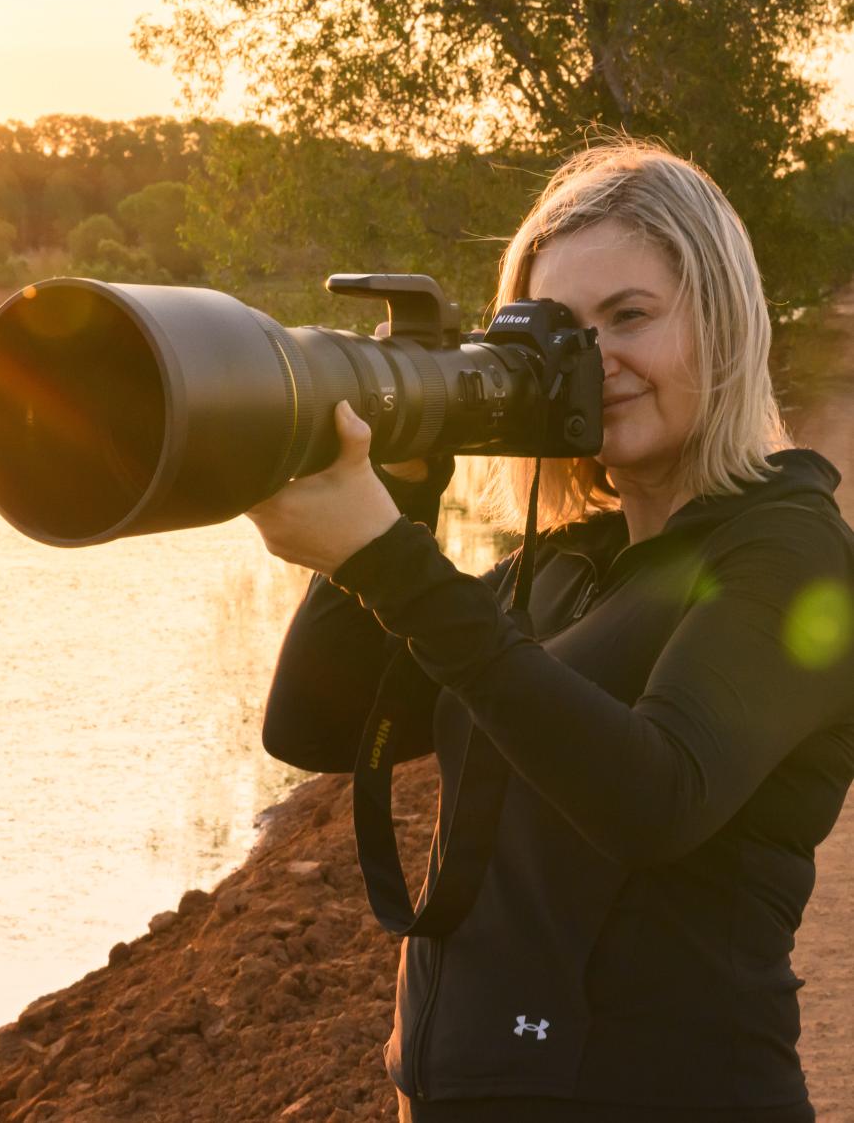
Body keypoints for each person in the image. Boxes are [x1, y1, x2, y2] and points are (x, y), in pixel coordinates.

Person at [247, 139, 854, 1121]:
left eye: (630, 317)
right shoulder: (569, 565)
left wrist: (385, 561)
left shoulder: (787, 553)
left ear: (725, 329)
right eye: (559, 332)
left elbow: (655, 797)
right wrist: (402, 490)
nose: (594, 360)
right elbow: (316, 728)